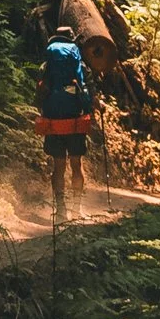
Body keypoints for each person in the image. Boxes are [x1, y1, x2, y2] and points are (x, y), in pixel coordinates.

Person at [35, 22, 94, 215]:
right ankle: (76, 208)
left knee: (58, 166)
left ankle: (60, 209)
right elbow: (88, 89)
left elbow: (41, 88)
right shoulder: (80, 63)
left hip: (54, 119)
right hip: (75, 118)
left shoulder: (47, 63)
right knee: (76, 164)